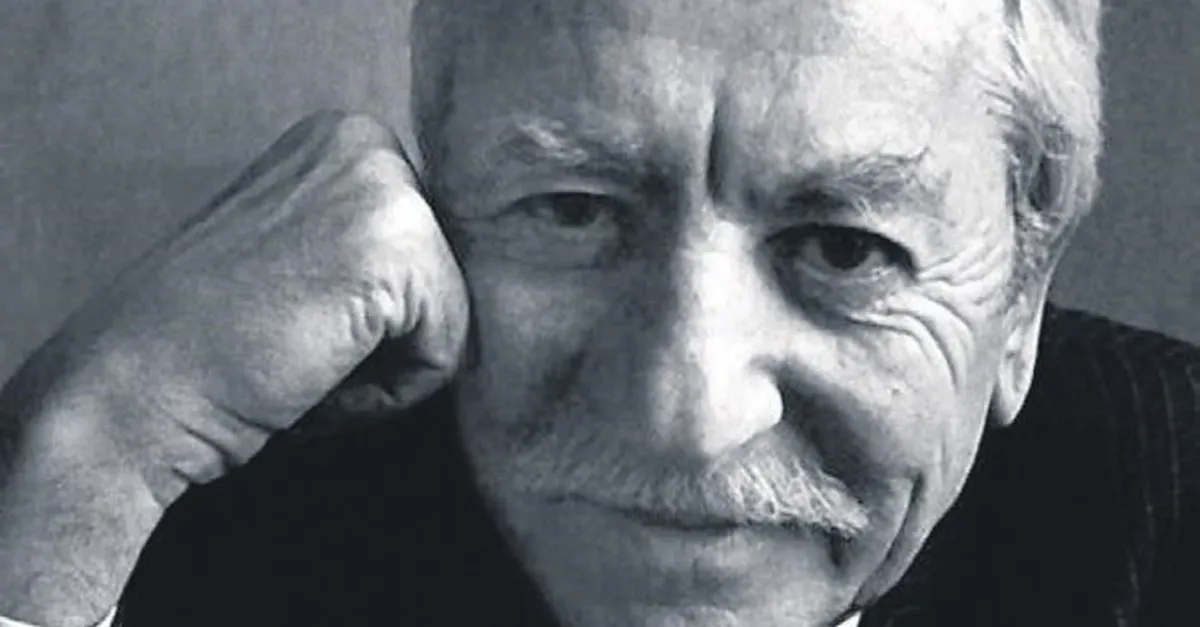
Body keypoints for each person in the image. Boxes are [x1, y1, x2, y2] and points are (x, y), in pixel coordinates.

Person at [1, 0, 1197, 625]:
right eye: (572, 211)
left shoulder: (1173, 512)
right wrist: (78, 457)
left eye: (845, 248)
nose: (687, 415)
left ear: (1021, 297)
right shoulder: (202, 531)